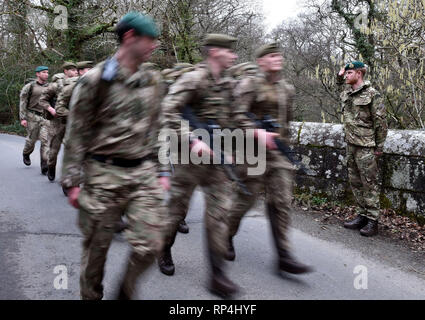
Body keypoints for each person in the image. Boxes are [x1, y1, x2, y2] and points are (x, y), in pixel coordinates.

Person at [61, 12, 170, 300]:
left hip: (142, 173)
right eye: (150, 39)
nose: (155, 45)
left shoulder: (154, 81)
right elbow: (76, 133)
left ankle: (125, 292)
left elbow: (158, 128)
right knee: (96, 253)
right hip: (102, 175)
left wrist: (163, 171)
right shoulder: (95, 82)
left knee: (152, 244)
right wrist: (72, 182)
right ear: (130, 37)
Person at [160, 34, 239, 298]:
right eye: (230, 51)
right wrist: (193, 139)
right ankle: (164, 248)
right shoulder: (193, 79)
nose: (235, 55)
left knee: (219, 214)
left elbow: (231, 121)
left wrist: (230, 150)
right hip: (188, 158)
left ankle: (217, 276)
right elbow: (169, 110)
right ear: (215, 52)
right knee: (176, 210)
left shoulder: (228, 83)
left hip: (216, 160)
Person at [226, 43, 313, 276]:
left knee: (281, 201)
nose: (278, 59)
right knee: (245, 200)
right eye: (272, 56)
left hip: (277, 153)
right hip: (251, 152)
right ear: (261, 60)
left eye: (279, 55)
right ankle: (225, 235)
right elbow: (236, 116)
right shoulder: (249, 84)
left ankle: (284, 255)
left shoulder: (287, 89)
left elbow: (287, 122)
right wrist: (256, 132)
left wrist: (285, 146)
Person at [337, 61, 388, 237]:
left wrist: (379, 146)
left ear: (359, 73)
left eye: (349, 72)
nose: (346, 75)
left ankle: (373, 220)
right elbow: (338, 84)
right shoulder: (347, 93)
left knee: (369, 183)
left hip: (366, 146)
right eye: (345, 73)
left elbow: (380, 123)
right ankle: (362, 215)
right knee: (356, 182)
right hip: (351, 145)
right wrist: (340, 73)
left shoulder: (373, 94)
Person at [39, 62, 78, 181]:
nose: (76, 71)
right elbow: (42, 100)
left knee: (71, 150)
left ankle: (68, 178)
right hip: (56, 122)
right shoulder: (55, 85)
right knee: (54, 150)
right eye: (72, 70)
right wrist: (51, 109)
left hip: (71, 121)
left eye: (76, 70)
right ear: (66, 71)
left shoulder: (78, 84)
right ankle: (51, 166)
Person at [19, 66, 50, 174]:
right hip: (32, 116)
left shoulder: (50, 87)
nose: (46, 74)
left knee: (45, 140)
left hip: (45, 117)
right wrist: (22, 118)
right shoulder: (29, 86)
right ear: (37, 74)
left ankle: (44, 164)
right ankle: (26, 153)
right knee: (31, 141)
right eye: (44, 72)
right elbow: (23, 102)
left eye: (47, 72)